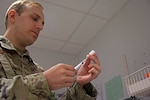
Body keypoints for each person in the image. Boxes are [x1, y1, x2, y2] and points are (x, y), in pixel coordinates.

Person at [0, 0, 102, 100]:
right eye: (35, 19)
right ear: (13, 16)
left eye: (42, 23)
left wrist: (80, 84)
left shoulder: (37, 70)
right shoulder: (42, 76)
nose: (40, 27)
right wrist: (44, 81)